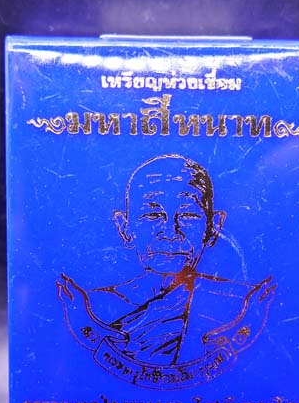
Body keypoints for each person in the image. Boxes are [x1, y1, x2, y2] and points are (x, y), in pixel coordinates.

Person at [57, 154, 276, 365]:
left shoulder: (242, 302)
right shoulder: (92, 306)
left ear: (214, 227)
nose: (171, 232)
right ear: (124, 227)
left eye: (188, 215)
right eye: (152, 215)